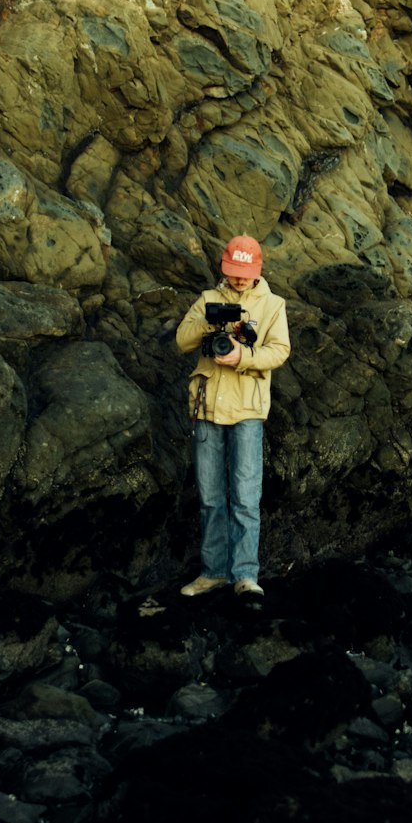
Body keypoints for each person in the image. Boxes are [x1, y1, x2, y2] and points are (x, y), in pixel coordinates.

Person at [175, 234, 290, 598]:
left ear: (257, 270)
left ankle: (244, 575)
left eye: (245, 272)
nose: (239, 279)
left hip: (248, 410)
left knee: (245, 496)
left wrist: (243, 356)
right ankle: (212, 572)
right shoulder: (209, 300)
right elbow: (182, 341)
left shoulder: (273, 305)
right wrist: (212, 325)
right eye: (234, 272)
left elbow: (280, 351)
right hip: (208, 406)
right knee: (210, 496)